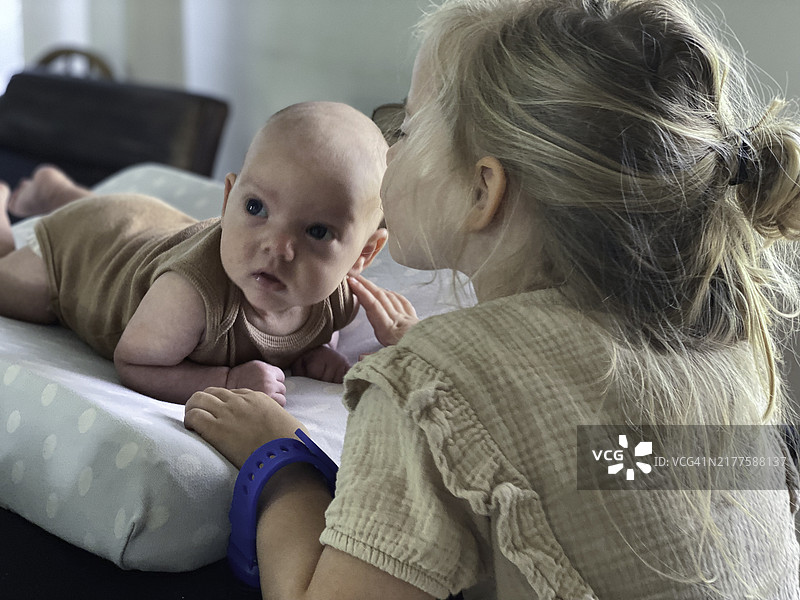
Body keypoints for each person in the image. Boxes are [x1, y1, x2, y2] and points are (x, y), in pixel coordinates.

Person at [184, 0, 800, 597]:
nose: (388, 149)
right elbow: (606, 468)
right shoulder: (726, 343)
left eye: (408, 127)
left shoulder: (428, 389)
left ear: (484, 191)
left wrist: (280, 458)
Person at [0, 101, 389, 405]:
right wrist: (227, 382)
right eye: (255, 208)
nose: (277, 246)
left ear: (363, 255)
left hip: (144, 222)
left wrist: (314, 349)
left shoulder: (338, 299)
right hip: (84, 251)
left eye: (317, 231)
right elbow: (134, 361)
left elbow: (316, 327)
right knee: (14, 293)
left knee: (118, 217)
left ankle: (58, 192)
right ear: (228, 199)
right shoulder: (190, 294)